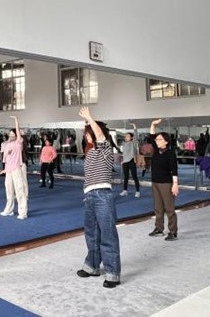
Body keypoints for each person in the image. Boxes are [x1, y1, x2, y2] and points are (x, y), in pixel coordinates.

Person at [76, 107, 121, 289]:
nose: (86, 136)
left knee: (108, 234)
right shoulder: (90, 153)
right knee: (91, 234)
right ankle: (92, 266)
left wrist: (90, 117)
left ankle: (112, 273)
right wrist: (86, 123)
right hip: (89, 195)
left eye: (88, 133)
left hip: (103, 194)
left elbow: (100, 135)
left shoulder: (105, 149)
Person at [148, 119, 179, 241]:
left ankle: (173, 231)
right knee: (158, 208)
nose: (157, 141)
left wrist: (175, 184)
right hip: (155, 182)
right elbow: (151, 136)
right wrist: (152, 124)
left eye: (159, 139)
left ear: (166, 141)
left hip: (166, 183)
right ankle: (159, 229)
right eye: (157, 140)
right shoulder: (156, 151)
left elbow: (174, 170)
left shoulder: (170, 154)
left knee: (169, 208)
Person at [0, 116, 28, 220]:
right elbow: (6, 160)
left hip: (17, 169)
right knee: (9, 191)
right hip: (9, 171)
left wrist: (16, 121)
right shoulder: (7, 145)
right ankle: (9, 210)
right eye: (10, 135)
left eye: (13, 135)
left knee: (20, 190)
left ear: (16, 136)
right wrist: (4, 170)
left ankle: (23, 212)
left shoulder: (18, 143)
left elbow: (18, 133)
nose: (11, 137)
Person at [120, 124, 140, 198]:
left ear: (131, 137)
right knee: (126, 177)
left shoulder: (133, 143)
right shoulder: (124, 144)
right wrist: (123, 160)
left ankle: (137, 191)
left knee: (134, 176)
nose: (126, 137)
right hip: (125, 162)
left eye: (128, 136)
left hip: (131, 161)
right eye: (125, 136)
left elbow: (136, 136)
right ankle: (125, 190)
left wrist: (134, 126)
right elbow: (124, 153)